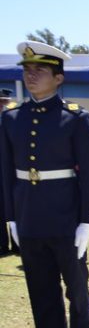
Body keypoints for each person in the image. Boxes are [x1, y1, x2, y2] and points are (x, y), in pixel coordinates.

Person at [0, 42, 89, 328]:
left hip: (66, 216)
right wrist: (10, 215)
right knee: (40, 288)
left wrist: (87, 220)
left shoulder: (75, 117)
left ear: (58, 78)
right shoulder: (11, 118)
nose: (31, 76)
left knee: (76, 288)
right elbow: (5, 171)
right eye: (27, 70)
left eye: (40, 70)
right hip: (29, 217)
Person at [0, 88, 18, 257]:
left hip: (12, 172)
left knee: (16, 208)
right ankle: (2, 245)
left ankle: (18, 245)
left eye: (3, 102)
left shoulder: (12, 121)